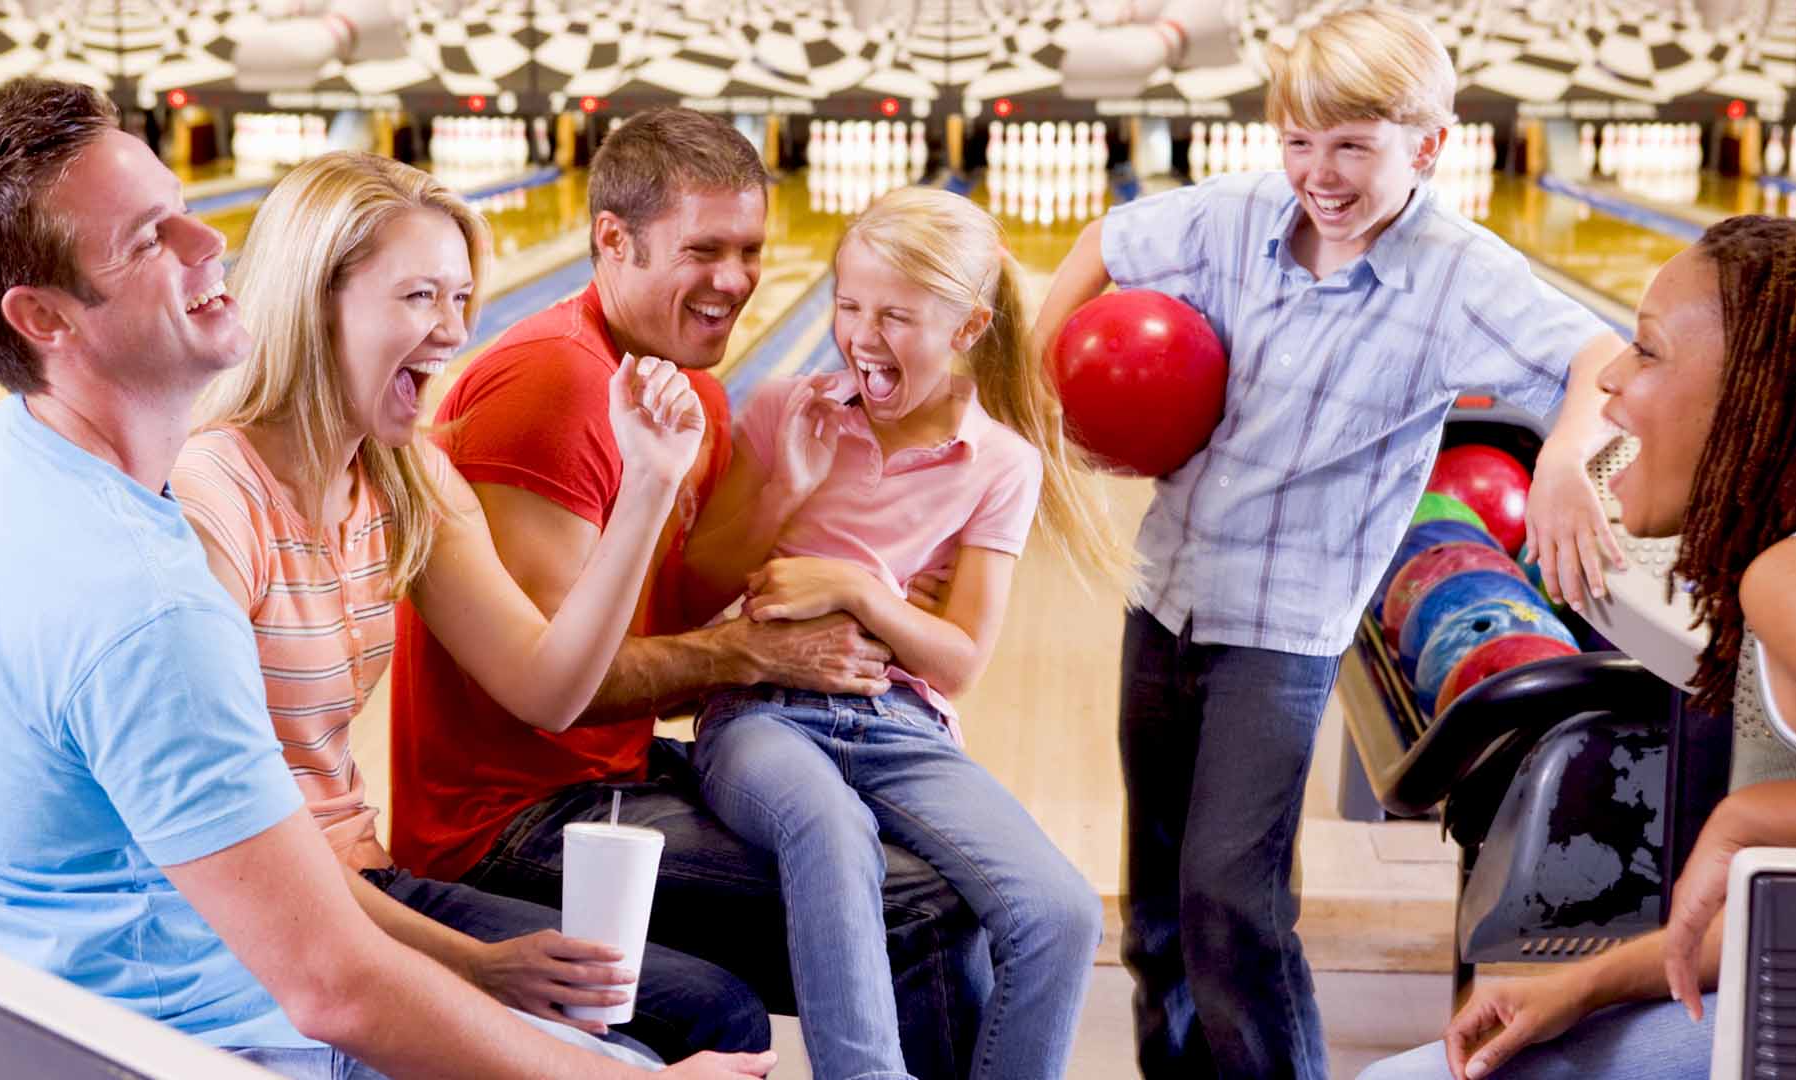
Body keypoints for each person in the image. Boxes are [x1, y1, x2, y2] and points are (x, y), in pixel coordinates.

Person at [0, 77, 772, 1080]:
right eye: (153, 239)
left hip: (42, 1000)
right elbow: (330, 985)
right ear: (43, 319)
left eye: (190, 214)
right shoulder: (154, 595)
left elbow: (546, 687)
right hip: (185, 1028)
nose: (213, 251)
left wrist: (649, 486)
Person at [1030, 8, 1627, 1078]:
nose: (1320, 172)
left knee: (1232, 904)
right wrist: (1034, 398)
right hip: (1165, 598)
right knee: (1155, 915)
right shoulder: (1239, 213)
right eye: (1300, 141)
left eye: (1352, 145)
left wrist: (1565, 460)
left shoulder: (1453, 272)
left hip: (1285, 630)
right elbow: (1101, 244)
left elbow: (1600, 355)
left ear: (1425, 146)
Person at [388, 105, 991, 1074]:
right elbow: (557, 688)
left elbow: (660, 630)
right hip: (508, 823)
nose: (737, 281)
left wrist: (795, 524)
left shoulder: (689, 390)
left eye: (750, 249)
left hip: (607, 775)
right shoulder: (551, 385)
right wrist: (746, 654)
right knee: (918, 906)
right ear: (611, 241)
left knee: (964, 878)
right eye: (703, 249)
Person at [169, 149, 769, 1063]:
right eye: (418, 298)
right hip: (270, 906)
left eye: (459, 298)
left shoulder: (408, 477)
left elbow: (549, 689)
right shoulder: (213, 494)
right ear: (316, 298)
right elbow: (234, 841)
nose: (451, 331)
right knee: (701, 1020)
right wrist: (475, 965)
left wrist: (650, 484)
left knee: (709, 1006)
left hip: (364, 880)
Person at [1361, 215, 1796, 1080]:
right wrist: (1584, 985)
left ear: (1753, 391)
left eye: (1645, 352)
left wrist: (1753, 816)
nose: (1606, 379)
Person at [679, 186, 1125, 1079]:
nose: (862, 335)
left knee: (1060, 912)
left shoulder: (1000, 462)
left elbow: (957, 661)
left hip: (901, 726)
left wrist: (860, 590)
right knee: (830, 827)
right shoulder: (783, 405)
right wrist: (783, 488)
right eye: (848, 305)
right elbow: (697, 584)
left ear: (966, 326)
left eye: (896, 316)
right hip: (762, 716)